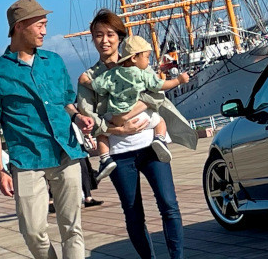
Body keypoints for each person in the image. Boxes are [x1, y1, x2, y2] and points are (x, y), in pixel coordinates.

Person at [0, 0, 101, 259]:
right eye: (40, 24)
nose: (45, 30)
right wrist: (0, 168)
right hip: (26, 158)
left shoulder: (54, 62)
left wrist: (78, 117)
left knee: (71, 223)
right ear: (20, 26)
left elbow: (66, 102)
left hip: (65, 151)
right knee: (32, 230)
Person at [76, 9, 200, 259]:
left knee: (169, 203)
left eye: (110, 35)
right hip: (119, 153)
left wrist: (136, 108)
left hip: (151, 145)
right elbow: (87, 114)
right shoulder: (90, 77)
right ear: (92, 40)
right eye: (98, 36)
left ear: (120, 37)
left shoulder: (138, 65)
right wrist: (114, 128)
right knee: (133, 213)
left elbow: (155, 92)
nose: (104, 41)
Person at [79, 35, 190, 175]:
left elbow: (97, 86)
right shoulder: (142, 74)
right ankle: (160, 139)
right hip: (139, 115)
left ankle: (105, 159)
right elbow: (160, 86)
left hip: (115, 116)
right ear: (133, 58)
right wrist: (178, 80)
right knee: (160, 121)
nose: (149, 61)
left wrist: (85, 82)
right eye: (147, 57)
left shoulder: (112, 74)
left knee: (102, 134)